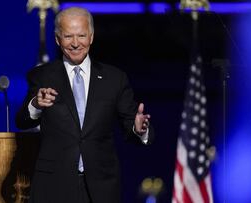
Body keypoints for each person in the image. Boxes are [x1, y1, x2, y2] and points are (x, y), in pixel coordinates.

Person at [16, 7, 155, 203]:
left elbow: (130, 124)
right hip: (54, 185)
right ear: (57, 39)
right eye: (68, 36)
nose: (75, 43)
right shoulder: (42, 76)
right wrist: (36, 104)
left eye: (81, 35)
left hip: (101, 187)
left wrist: (139, 128)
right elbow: (22, 121)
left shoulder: (114, 78)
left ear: (91, 37)